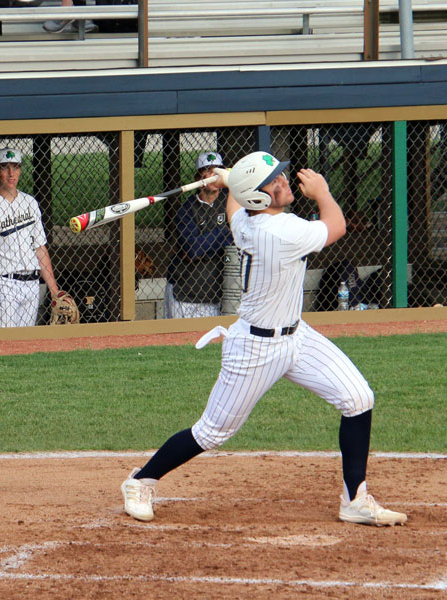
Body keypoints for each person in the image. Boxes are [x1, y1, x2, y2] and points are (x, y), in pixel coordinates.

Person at [121, 151, 407, 527]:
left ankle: (355, 499)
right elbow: (335, 226)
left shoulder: (248, 221)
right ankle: (141, 480)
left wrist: (228, 180)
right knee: (211, 432)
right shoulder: (280, 231)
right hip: (255, 348)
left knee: (358, 398)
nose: (284, 181)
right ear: (259, 197)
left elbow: (233, 207)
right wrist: (322, 191)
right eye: (275, 181)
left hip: (296, 336)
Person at [0, 147, 63, 327]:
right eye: (5, 167)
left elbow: (40, 248)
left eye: (15, 167)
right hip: (4, 282)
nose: (11, 173)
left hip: (32, 283)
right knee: (5, 339)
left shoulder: (30, 202)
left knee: (26, 341)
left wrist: (55, 291)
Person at [165, 151, 232, 319]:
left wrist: (208, 240)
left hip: (215, 294)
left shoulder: (230, 201)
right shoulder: (187, 210)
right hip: (185, 292)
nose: (214, 175)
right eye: (208, 170)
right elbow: (193, 249)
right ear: (198, 179)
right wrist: (226, 233)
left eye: (218, 170)